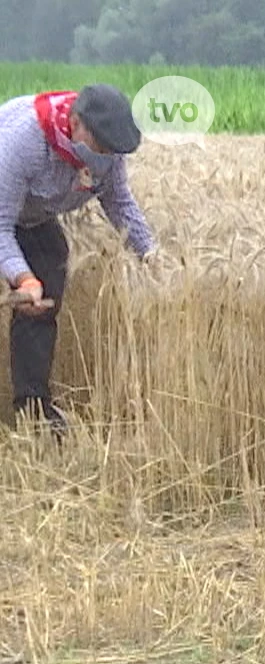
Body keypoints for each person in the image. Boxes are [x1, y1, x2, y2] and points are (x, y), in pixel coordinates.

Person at [1, 83, 156, 438]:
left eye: (111, 150)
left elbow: (118, 204)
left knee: (44, 298)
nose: (104, 155)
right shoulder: (25, 141)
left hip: (34, 219)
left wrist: (149, 254)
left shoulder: (108, 156)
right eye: (98, 145)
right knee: (31, 284)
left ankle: (33, 410)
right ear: (74, 122)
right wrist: (22, 277)